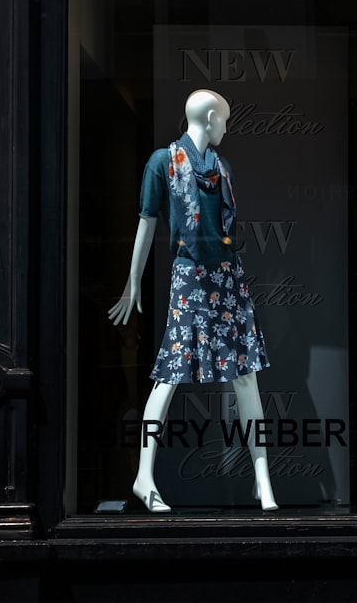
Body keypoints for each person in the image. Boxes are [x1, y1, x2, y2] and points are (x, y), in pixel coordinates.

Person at [108, 89, 278, 513]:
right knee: (168, 376)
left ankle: (263, 480)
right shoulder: (162, 163)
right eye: (224, 119)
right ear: (208, 117)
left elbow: (224, 234)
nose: (227, 127)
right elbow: (147, 223)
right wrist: (133, 279)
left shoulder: (223, 169)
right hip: (190, 279)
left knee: (246, 377)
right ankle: (144, 475)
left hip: (227, 279)